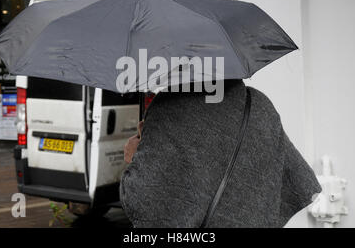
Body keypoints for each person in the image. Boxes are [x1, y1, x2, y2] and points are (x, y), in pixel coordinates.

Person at [120, 80, 321, 228]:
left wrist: (134, 157)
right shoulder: (259, 104)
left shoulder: (168, 105)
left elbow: (143, 201)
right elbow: (298, 179)